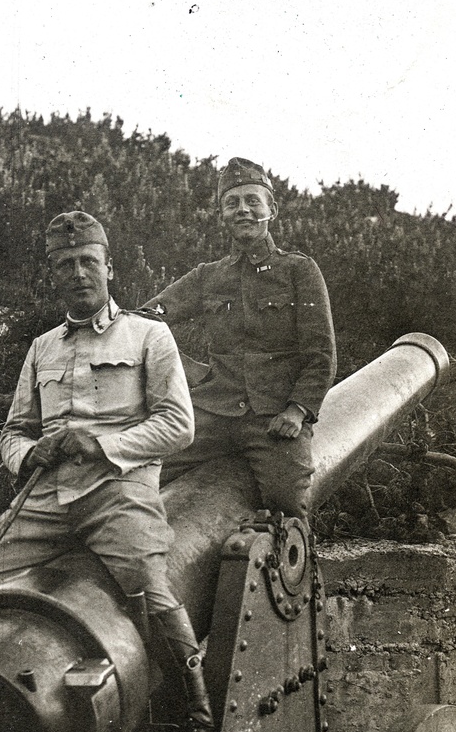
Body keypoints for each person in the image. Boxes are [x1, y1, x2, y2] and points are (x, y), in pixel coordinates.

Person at [0, 209, 216, 732]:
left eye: (88, 261)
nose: (78, 272)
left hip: (119, 491)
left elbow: (178, 426)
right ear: (54, 275)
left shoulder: (148, 336)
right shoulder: (41, 348)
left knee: (153, 593)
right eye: (65, 264)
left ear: (109, 268)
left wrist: (103, 444)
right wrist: (24, 457)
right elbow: (14, 431)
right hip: (46, 499)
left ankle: (199, 726)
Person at [139, 157, 336, 520]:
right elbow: (145, 322)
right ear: (222, 215)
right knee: (141, 472)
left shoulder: (298, 270)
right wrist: (193, 375)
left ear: (271, 209)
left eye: (252, 201)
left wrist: (297, 411)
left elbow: (321, 354)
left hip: (273, 417)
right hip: (212, 412)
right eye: (232, 203)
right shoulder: (208, 277)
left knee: (286, 506)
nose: (242, 210)